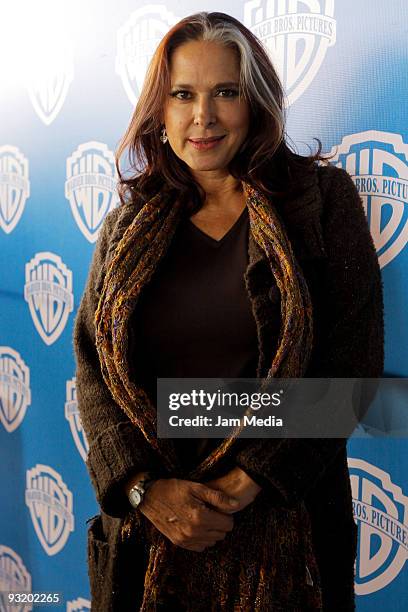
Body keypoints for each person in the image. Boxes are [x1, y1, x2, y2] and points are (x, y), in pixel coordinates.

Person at [73, 11, 384, 612]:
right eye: (182, 94)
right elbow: (94, 373)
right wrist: (144, 491)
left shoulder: (321, 204)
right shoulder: (125, 225)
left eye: (226, 93)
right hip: (147, 544)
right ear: (158, 111)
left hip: (289, 539)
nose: (203, 117)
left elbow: (352, 370)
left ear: (256, 101)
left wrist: (249, 480)